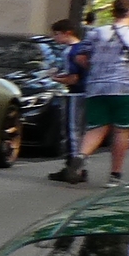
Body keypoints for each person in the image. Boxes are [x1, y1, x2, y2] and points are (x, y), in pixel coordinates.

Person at [52, 0, 129, 184]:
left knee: (96, 128)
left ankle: (80, 157)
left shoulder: (96, 33)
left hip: (96, 87)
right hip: (124, 89)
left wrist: (96, 69)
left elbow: (80, 58)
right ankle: (115, 175)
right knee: (122, 131)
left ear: (112, 13)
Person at [42, 16, 87, 181]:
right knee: (79, 131)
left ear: (67, 33)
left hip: (76, 93)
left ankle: (74, 168)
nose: (55, 38)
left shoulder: (71, 51)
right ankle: (76, 167)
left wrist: (55, 78)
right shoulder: (82, 48)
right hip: (85, 92)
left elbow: (74, 78)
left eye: (57, 34)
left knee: (72, 130)